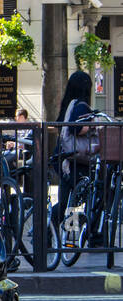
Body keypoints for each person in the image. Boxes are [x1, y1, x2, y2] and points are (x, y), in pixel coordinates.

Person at [52, 70, 97, 225]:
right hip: (73, 159)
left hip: (63, 157)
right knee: (75, 199)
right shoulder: (81, 106)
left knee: (68, 199)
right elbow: (75, 128)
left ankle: (53, 233)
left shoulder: (69, 103)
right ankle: (69, 234)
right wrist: (92, 127)